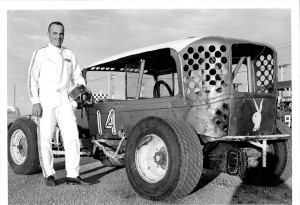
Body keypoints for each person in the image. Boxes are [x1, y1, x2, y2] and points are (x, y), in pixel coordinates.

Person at [28, 21, 91, 186]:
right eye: (55, 33)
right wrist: (35, 102)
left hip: (64, 101)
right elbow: (32, 79)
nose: (58, 36)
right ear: (49, 34)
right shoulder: (41, 53)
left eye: (61, 33)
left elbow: (78, 77)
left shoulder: (69, 54)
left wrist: (79, 95)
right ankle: (49, 174)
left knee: (72, 137)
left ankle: (72, 174)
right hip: (46, 100)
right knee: (46, 138)